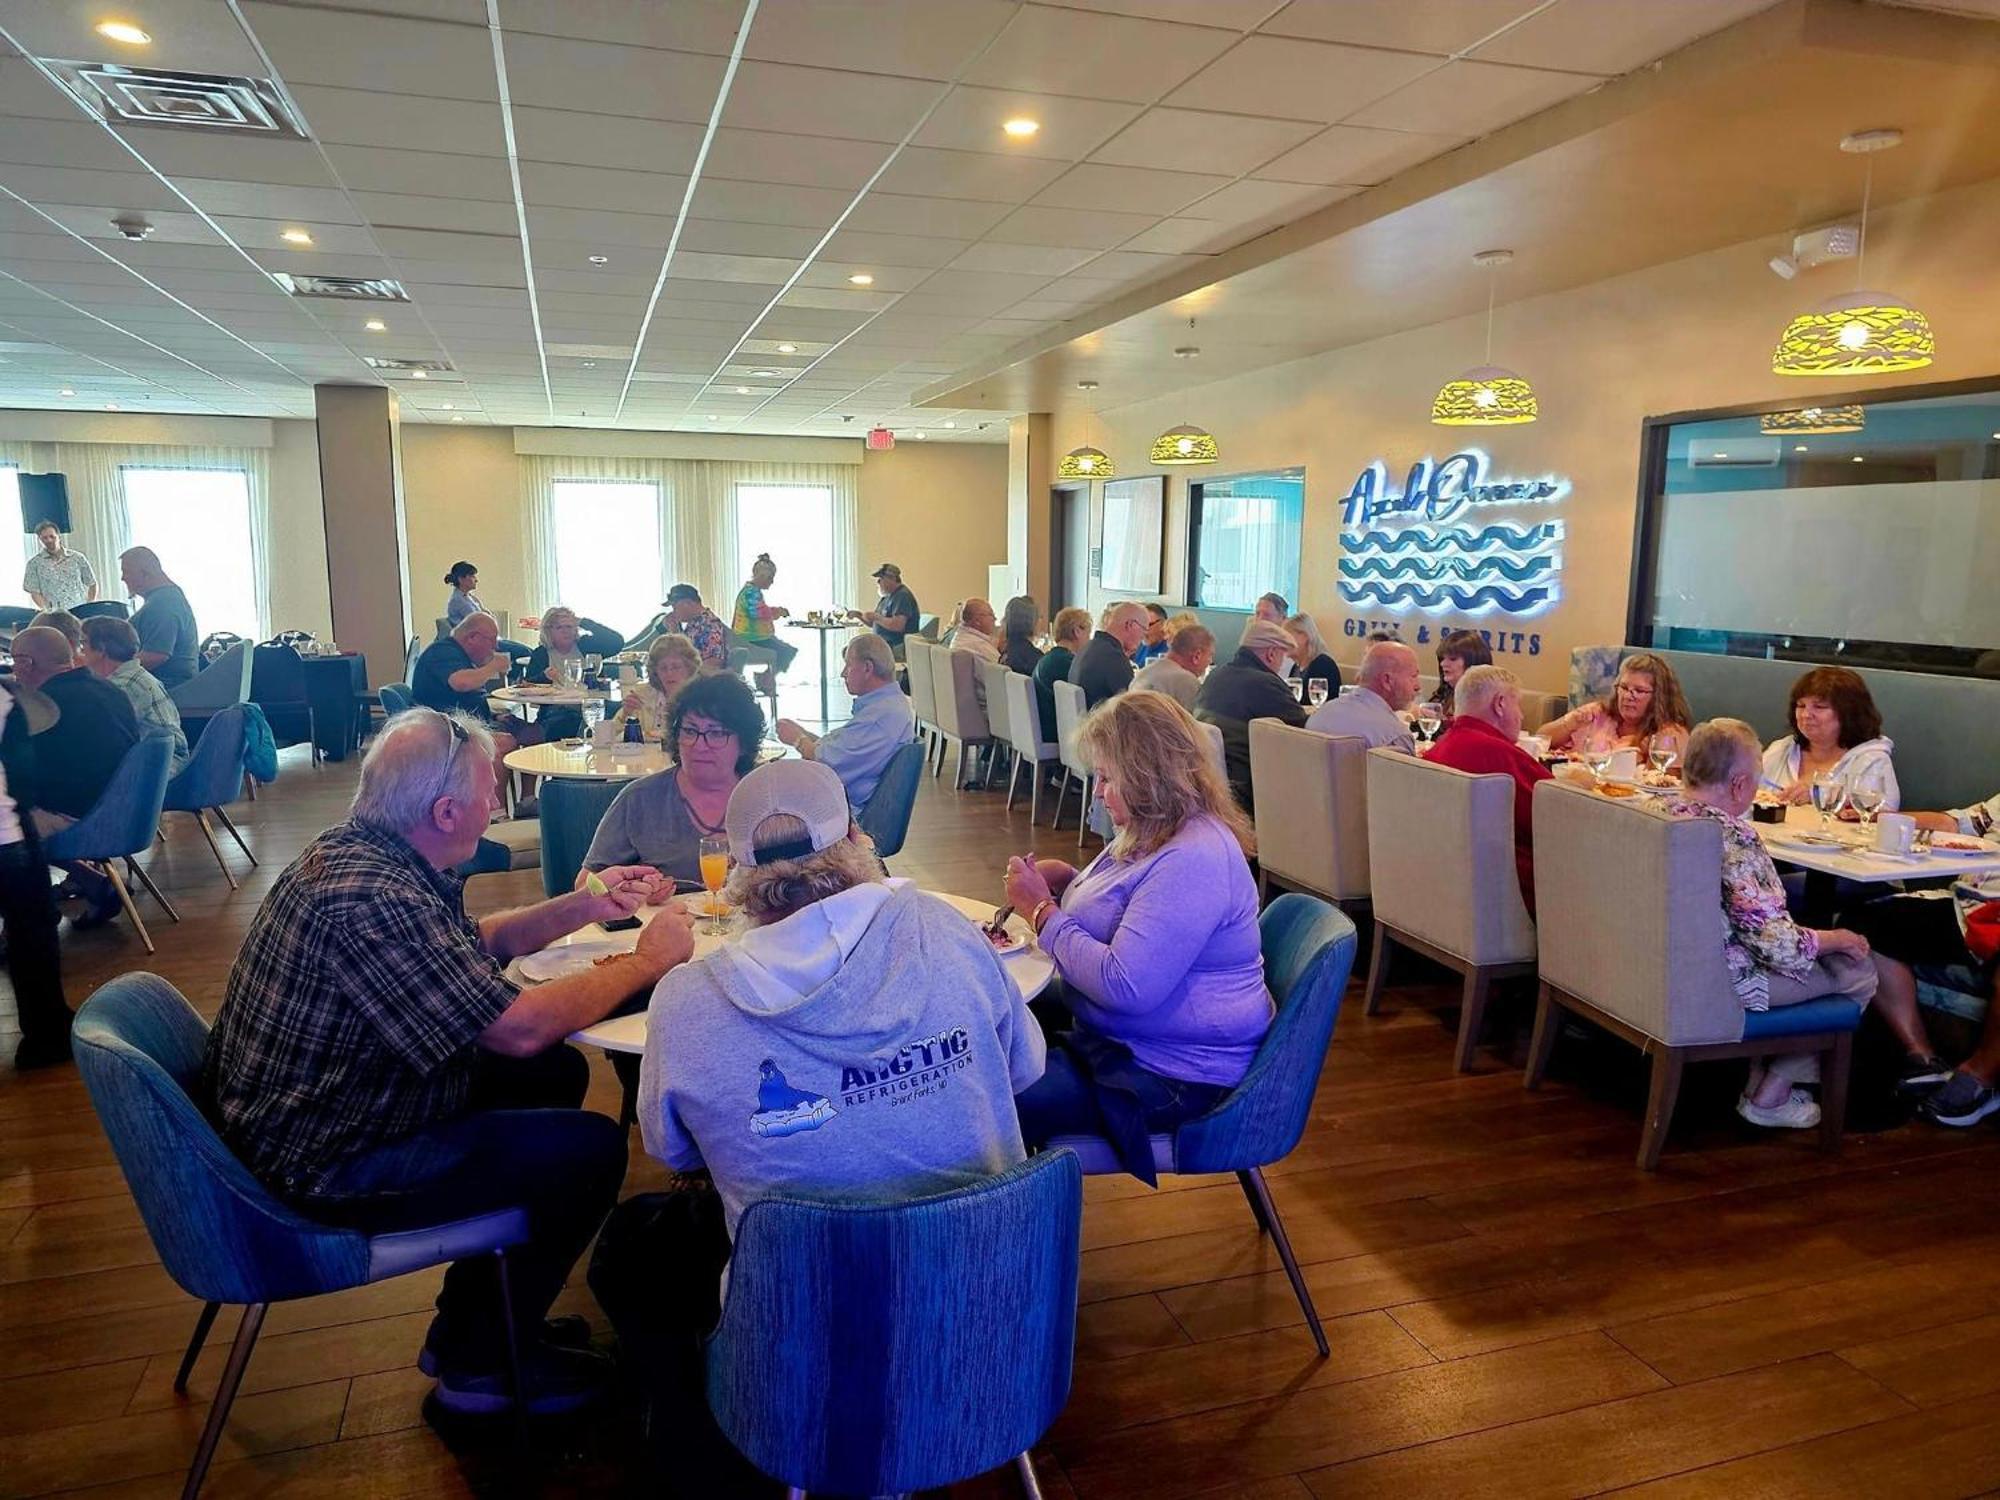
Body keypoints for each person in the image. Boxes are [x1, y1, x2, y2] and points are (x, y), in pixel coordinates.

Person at [202, 707, 694, 1414]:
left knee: (553, 1074)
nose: (495, 803)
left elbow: (472, 942)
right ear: (444, 810)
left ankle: (477, 1322)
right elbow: (516, 1028)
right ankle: (480, 1369)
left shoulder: (362, 853)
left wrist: (586, 904)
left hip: (310, 1113)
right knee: (584, 1148)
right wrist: (647, 961)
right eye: (489, 790)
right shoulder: (370, 897)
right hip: (324, 1160)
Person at [606, 758, 1043, 1490]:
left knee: (631, 1246)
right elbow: (1023, 1067)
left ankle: (715, 1444)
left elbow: (670, 1148)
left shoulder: (687, 998)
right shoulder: (948, 929)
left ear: (737, 870)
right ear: (858, 839)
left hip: (807, 1328)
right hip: (989, 1301)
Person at [1004, 692, 1271, 1182]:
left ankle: (999, 1236)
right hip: (1122, 1042)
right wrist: (1071, 881)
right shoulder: (1157, 828)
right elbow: (1133, 907)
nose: (1099, 791)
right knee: (985, 1019)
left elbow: (1126, 986)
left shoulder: (1196, 856)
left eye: (1108, 778)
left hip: (1173, 1075)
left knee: (984, 1099)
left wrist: (1042, 912)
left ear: (1149, 776)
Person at [1666, 719, 1885, 1129]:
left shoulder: (1659, 815)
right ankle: (1773, 1093)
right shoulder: (1733, 837)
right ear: (1738, 785)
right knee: (1858, 971)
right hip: (1725, 983)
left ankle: (1754, 1076)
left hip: (1665, 970)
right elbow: (1777, 947)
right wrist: (1837, 938)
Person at [584, 672, 763, 885]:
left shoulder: (766, 798)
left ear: (743, 743)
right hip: (663, 916)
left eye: (716, 733)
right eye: (689, 731)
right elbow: (586, 884)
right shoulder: (640, 799)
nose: (699, 746)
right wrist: (637, 892)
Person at [1423, 664, 1552, 914]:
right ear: (1500, 703)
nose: (1522, 716)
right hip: (1505, 897)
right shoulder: (1499, 755)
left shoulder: (1438, 749)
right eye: (1519, 705)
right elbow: (1559, 816)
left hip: (1447, 886)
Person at [0, 676, 72, 1069]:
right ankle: (47, 1037)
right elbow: (24, 781)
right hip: (7, 837)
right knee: (33, 936)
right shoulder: (6, 699)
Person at [9, 625, 140, 836]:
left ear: (26, 663)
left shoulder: (42, 705)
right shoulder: (111, 690)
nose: (13, 671)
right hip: (125, 810)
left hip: (75, 817)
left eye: (14, 662)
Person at [775, 634, 913, 808]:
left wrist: (797, 739)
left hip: (848, 811)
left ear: (867, 668)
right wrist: (802, 732)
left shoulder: (879, 718)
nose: (842, 673)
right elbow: (839, 750)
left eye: (848, 665)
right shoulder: (887, 705)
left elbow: (823, 763)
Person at [1193, 616, 1306, 812]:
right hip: (1247, 791)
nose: (1281, 664)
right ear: (1271, 653)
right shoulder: (1266, 683)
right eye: (1282, 656)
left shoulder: (1215, 675)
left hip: (1208, 782)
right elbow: (1306, 733)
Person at [1760, 665, 1898, 809]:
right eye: (1801, 706)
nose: (1806, 715)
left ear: (1848, 713)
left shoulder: (1871, 760)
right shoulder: (1781, 750)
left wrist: (1818, 797)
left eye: (1819, 707)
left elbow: (1881, 815)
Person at [412, 612, 542, 756]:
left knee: (535, 734)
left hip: (476, 721)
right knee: (505, 742)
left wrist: (493, 715)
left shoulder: (461, 656)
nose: (495, 646)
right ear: (472, 638)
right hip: (448, 729)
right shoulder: (442, 652)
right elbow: (461, 683)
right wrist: (494, 666)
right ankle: (491, 779)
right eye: (492, 639)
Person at [80, 615, 188, 772]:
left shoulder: (124, 687)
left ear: (102, 649)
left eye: (83, 644)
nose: (80, 651)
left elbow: (99, 738)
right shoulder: (136, 676)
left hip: (161, 767)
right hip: (161, 761)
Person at [1543, 652, 1692, 762]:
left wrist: (1648, 757)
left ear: (1659, 696)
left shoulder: (1670, 734)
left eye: (1639, 691)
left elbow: (1663, 786)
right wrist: (1568, 725)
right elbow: (1541, 739)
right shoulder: (1597, 712)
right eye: (1624, 687)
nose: (1628, 696)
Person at [1306, 639, 1420, 751]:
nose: (1418, 686)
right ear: (1387, 681)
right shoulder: (1396, 738)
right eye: (1413, 676)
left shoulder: (1318, 716)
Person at [120, 546, 199, 688]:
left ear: (145, 573)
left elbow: (156, 655)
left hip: (167, 686)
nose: (123, 578)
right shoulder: (165, 598)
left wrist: (113, 668)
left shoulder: (163, 603)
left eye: (126, 572)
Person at [617, 634, 702, 743]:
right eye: (663, 668)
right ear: (655, 671)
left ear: (689, 668)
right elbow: (611, 737)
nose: (669, 673)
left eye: (676, 667)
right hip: (644, 759)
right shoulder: (641, 695)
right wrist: (626, 714)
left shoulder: (701, 699)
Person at [524, 605, 589, 740]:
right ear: (549, 631)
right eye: (559, 627)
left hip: (588, 706)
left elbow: (615, 641)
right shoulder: (541, 653)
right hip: (555, 710)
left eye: (569, 627)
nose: (566, 632)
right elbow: (527, 683)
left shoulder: (585, 646)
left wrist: (583, 621)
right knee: (564, 723)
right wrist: (544, 676)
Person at [729, 553, 797, 681]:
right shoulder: (751, 592)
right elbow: (757, 613)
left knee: (786, 650)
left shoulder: (751, 591)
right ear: (762, 576)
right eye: (770, 578)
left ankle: (766, 677)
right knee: (787, 651)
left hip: (753, 637)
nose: (772, 581)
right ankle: (765, 678)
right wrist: (778, 612)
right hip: (750, 638)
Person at [1071, 601, 1147, 709]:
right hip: (1103, 723)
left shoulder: (1088, 647)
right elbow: (1132, 708)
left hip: (1086, 722)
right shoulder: (1113, 658)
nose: (1143, 639)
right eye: (1144, 631)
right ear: (1130, 625)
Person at [1034, 606, 1091, 737]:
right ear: (1077, 631)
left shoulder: (1048, 658)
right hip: (1058, 732)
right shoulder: (1068, 663)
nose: (1089, 640)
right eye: (1088, 633)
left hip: (1043, 727)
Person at [1131, 622, 1213, 712]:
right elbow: (1190, 724)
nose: (1210, 661)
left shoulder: (1145, 671)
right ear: (1197, 656)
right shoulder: (1186, 681)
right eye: (1210, 655)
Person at [23, 521, 97, 613]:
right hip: (54, 614)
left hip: (80, 611)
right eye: (44, 538)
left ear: (58, 536)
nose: (49, 540)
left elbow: (92, 583)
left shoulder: (77, 558)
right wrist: (46, 610)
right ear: (40, 539)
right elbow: (34, 592)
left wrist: (89, 606)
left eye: (52, 536)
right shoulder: (33, 564)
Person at [855, 562, 919, 660]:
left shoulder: (902, 596)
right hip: (884, 645)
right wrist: (859, 616)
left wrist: (876, 617)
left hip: (896, 646)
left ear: (892, 579)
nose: (878, 582)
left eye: (881, 579)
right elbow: (875, 623)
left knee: (858, 654)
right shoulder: (887, 597)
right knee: (852, 650)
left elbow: (898, 625)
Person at [1429, 629, 1493, 719]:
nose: (1443, 664)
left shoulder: (1489, 702)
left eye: (1452, 659)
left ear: (1473, 662)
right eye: (1443, 658)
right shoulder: (1443, 696)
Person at [664, 584, 729, 671]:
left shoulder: (709, 625)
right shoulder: (694, 623)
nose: (673, 611)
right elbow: (683, 652)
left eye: (675, 607)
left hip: (701, 680)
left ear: (688, 603)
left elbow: (713, 663)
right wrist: (674, 631)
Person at [1284, 613, 1342, 702]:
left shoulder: (1323, 664)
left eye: (1288, 637)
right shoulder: (1296, 667)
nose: (1284, 643)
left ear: (1305, 637)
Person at [999, 594, 1044, 676]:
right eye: (1039, 617)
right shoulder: (1033, 657)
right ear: (1031, 622)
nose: (1041, 621)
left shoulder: (1006, 652)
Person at [443, 561, 485, 625]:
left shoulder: (469, 597)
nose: (476, 580)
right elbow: (477, 621)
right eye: (472, 576)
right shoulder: (457, 600)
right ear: (461, 579)